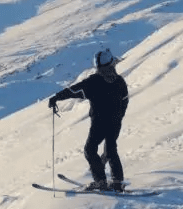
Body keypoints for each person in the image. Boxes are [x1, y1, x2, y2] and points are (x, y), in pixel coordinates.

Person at [48, 49, 130, 192]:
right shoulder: (120, 82)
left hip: (98, 123)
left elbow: (74, 90)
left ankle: (101, 182)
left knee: (90, 150)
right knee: (111, 150)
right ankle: (117, 182)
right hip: (115, 122)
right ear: (112, 63)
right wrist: (118, 117)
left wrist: (56, 97)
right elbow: (125, 101)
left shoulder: (94, 82)